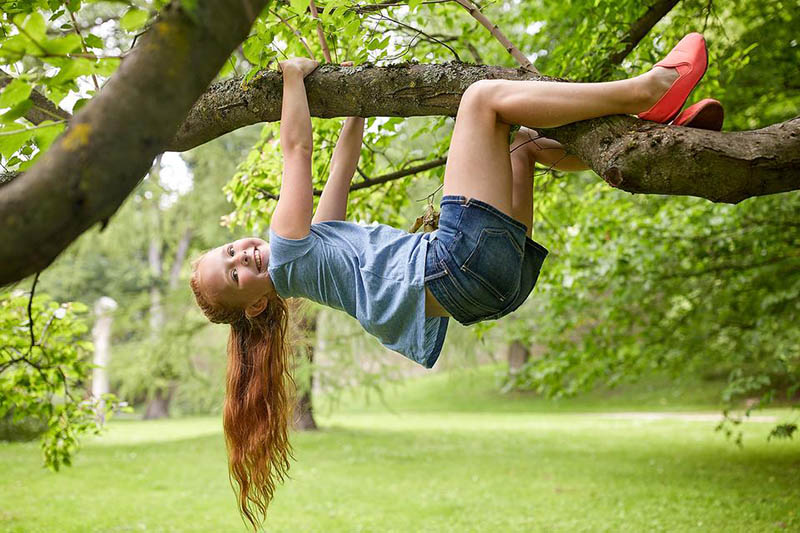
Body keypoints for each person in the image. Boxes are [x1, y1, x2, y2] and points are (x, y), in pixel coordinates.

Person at [189, 33, 709, 526]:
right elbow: (296, 151)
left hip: (494, 288)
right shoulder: (287, 250)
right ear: (255, 305)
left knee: (522, 146)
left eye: (230, 251)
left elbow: (339, 171)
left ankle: (655, 144)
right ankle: (648, 89)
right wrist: (293, 79)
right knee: (482, 100)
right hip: (457, 264)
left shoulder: (311, 249)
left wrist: (354, 108)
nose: (243, 259)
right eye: (234, 276)